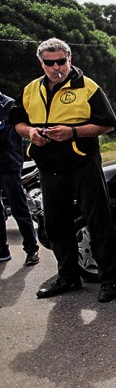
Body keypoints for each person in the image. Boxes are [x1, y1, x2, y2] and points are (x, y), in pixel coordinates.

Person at [10, 37, 116, 302]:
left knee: (98, 221)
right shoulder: (30, 89)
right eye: (50, 63)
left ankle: (109, 279)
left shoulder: (87, 87)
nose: (56, 67)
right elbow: (17, 120)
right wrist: (31, 132)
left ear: (70, 59)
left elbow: (108, 124)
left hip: (83, 164)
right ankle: (68, 277)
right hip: (49, 168)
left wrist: (72, 132)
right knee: (56, 224)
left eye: (61, 61)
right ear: (42, 63)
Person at [0, 91, 39, 265]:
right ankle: (2, 250)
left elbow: (5, 134)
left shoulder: (8, 104)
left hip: (9, 164)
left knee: (19, 208)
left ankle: (32, 250)